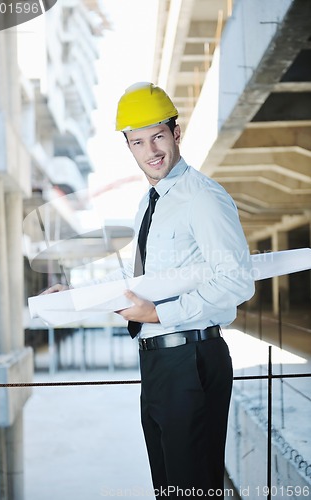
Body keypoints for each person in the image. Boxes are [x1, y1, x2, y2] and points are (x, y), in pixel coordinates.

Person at [44, 82, 255, 498]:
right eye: (138, 141)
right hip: (159, 363)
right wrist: (74, 296)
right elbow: (141, 286)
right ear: (129, 146)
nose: (150, 150)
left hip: (192, 358)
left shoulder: (202, 197)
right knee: (170, 489)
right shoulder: (150, 202)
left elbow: (236, 281)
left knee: (192, 489)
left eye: (158, 135)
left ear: (176, 134)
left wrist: (159, 315)